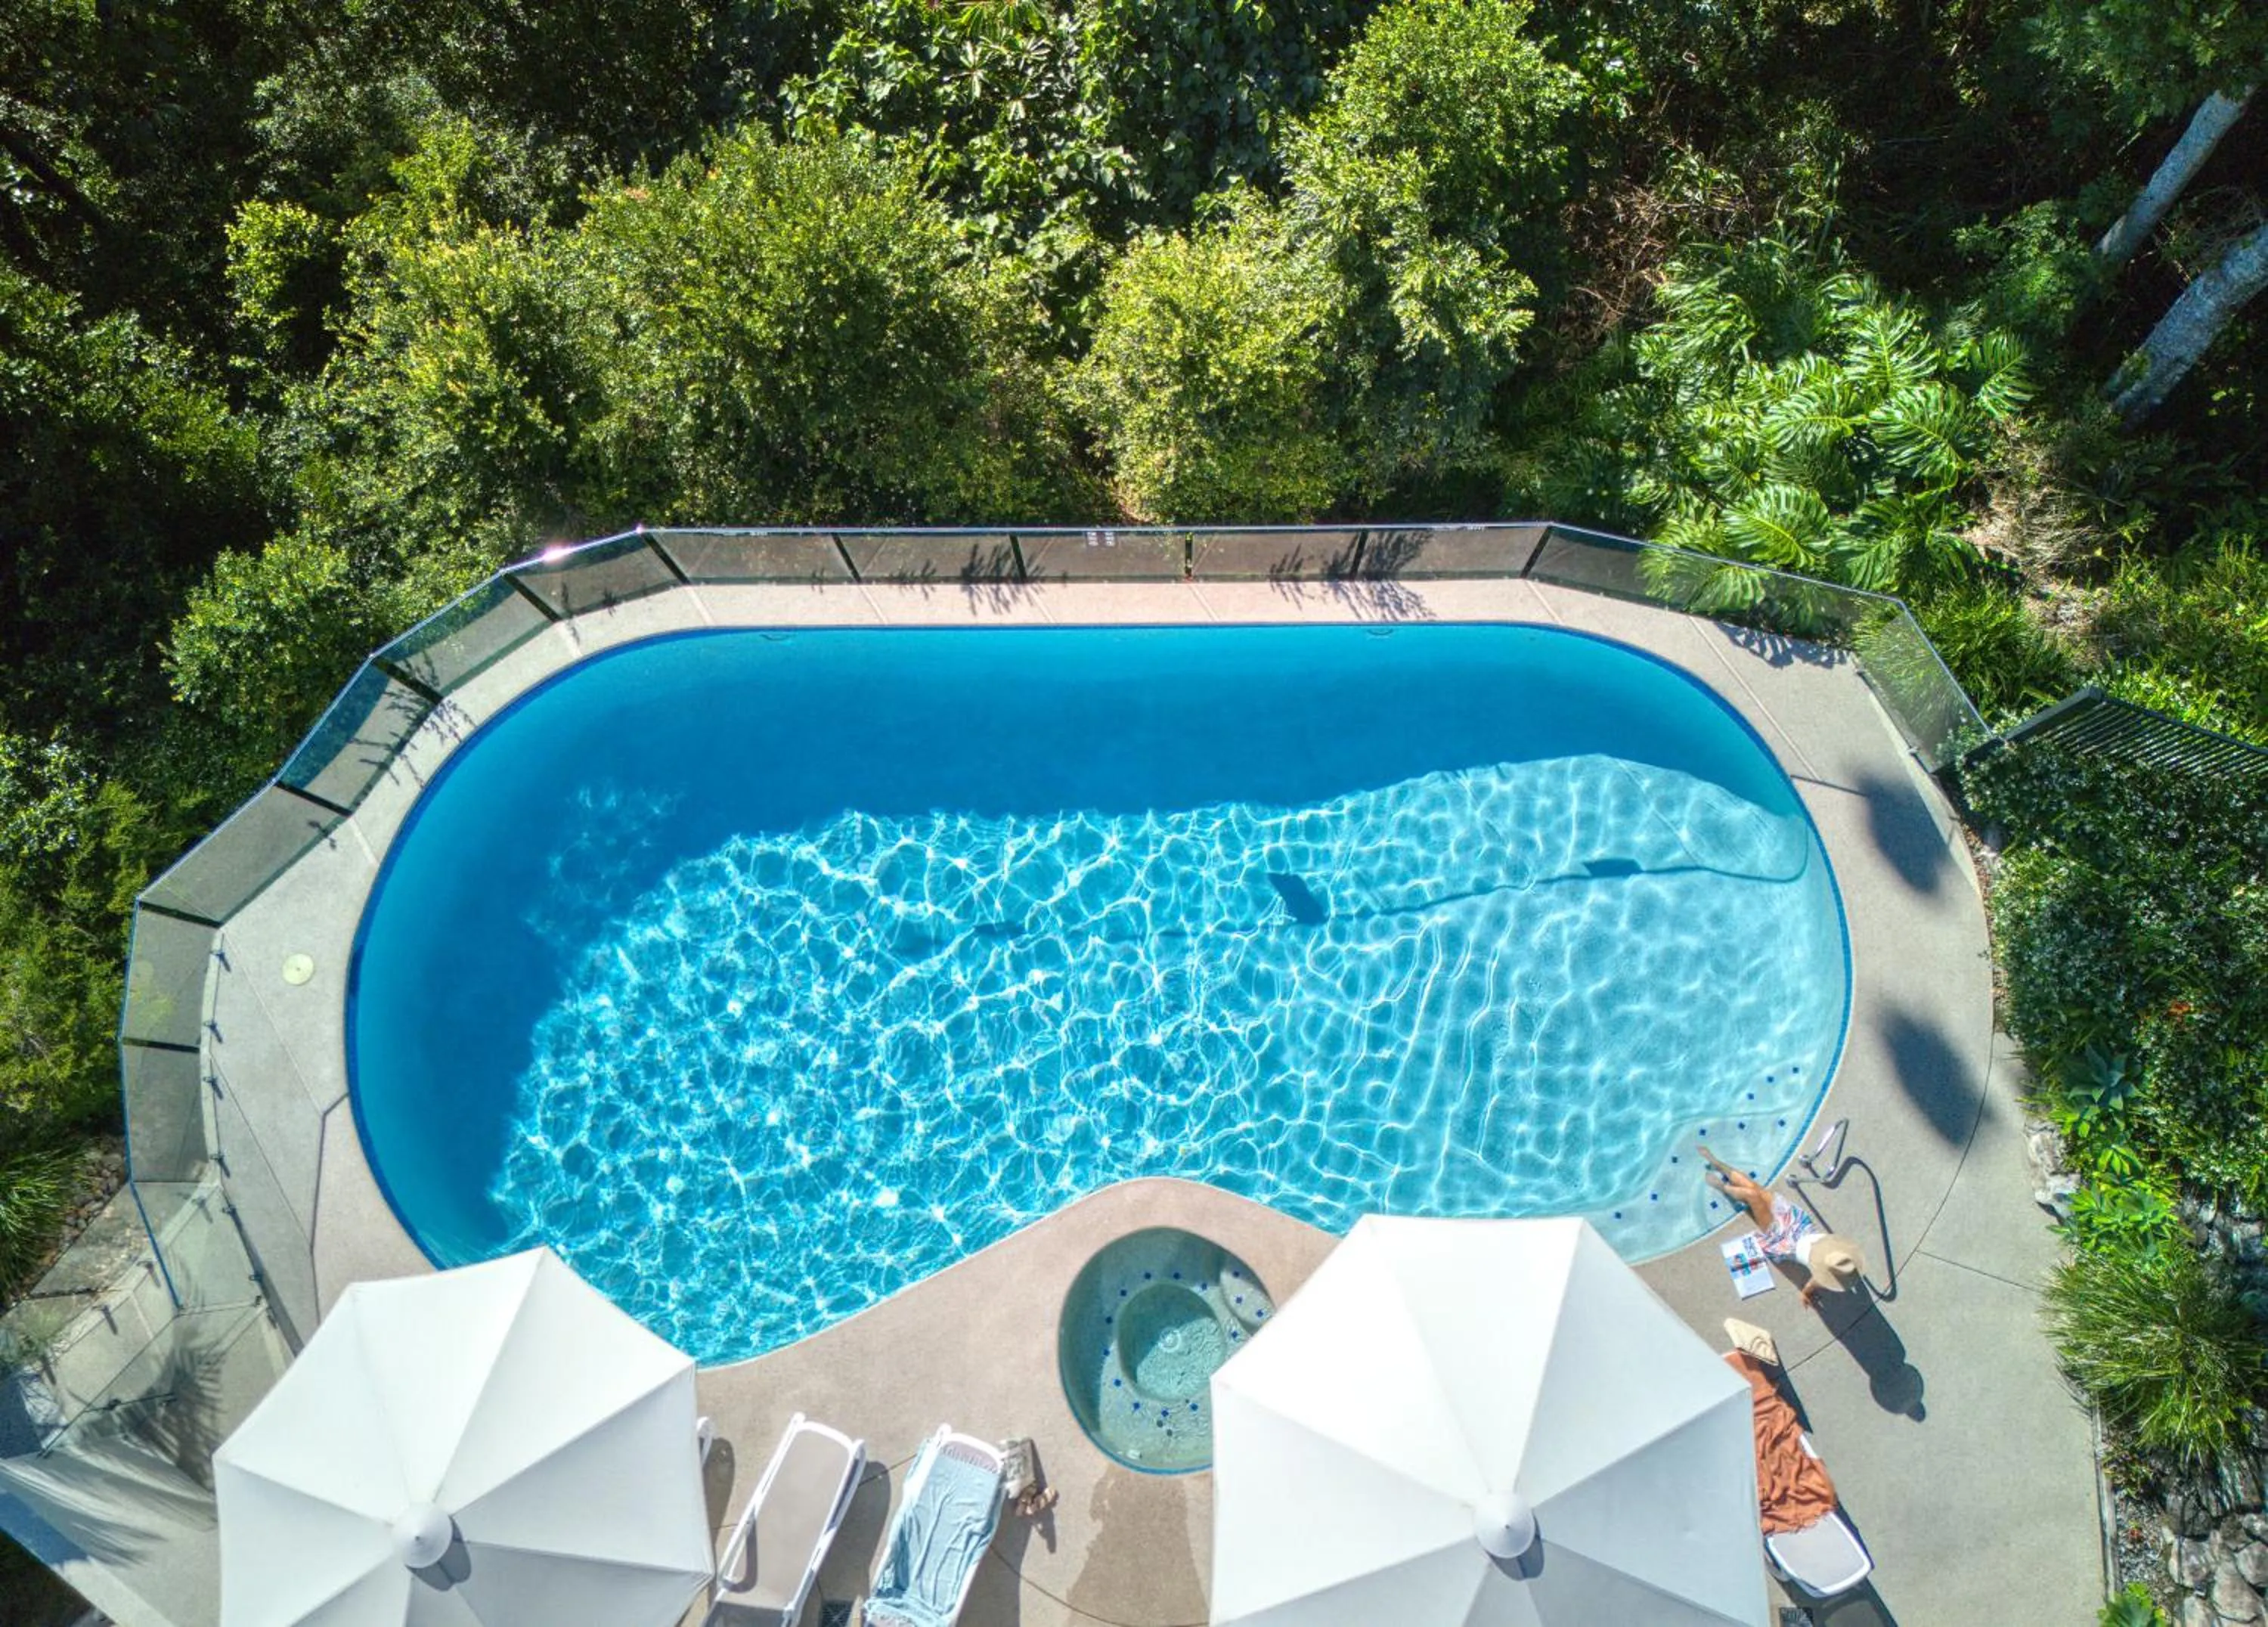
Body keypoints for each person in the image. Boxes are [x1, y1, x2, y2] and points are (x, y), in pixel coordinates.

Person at [1699, 1145, 1866, 1308]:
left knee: (1753, 1196)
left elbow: (1814, 1282)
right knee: (1755, 1188)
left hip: (1785, 1241)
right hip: (1801, 1224)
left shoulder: (1825, 1273)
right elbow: (1835, 1268)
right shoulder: (1840, 1255)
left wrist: (1806, 1292)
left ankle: (1722, 1187)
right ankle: (1717, 1163)